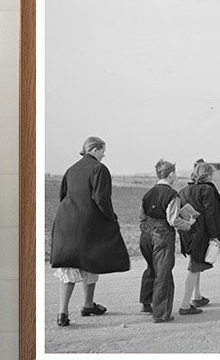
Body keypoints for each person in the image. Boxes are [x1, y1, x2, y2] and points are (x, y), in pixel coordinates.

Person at [50, 136, 130, 325]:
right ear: (94, 150)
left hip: (66, 222)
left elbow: (62, 195)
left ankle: (63, 312)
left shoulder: (71, 169)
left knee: (68, 265)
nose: (104, 154)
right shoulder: (99, 169)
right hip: (88, 223)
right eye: (103, 150)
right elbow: (101, 198)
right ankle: (87, 305)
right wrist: (111, 218)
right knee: (91, 260)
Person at [139, 159, 196, 323]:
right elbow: (172, 220)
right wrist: (188, 224)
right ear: (171, 174)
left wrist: (147, 228)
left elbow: (142, 216)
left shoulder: (148, 193)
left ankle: (146, 302)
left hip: (146, 234)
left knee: (151, 267)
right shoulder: (172, 195)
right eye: (175, 173)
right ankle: (161, 313)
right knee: (163, 273)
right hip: (162, 234)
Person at [178, 161, 220, 312]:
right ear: (208, 174)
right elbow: (211, 215)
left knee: (196, 264)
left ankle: (197, 297)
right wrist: (214, 236)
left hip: (188, 232)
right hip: (202, 233)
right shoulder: (208, 190)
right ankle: (185, 305)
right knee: (195, 267)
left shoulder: (183, 190)